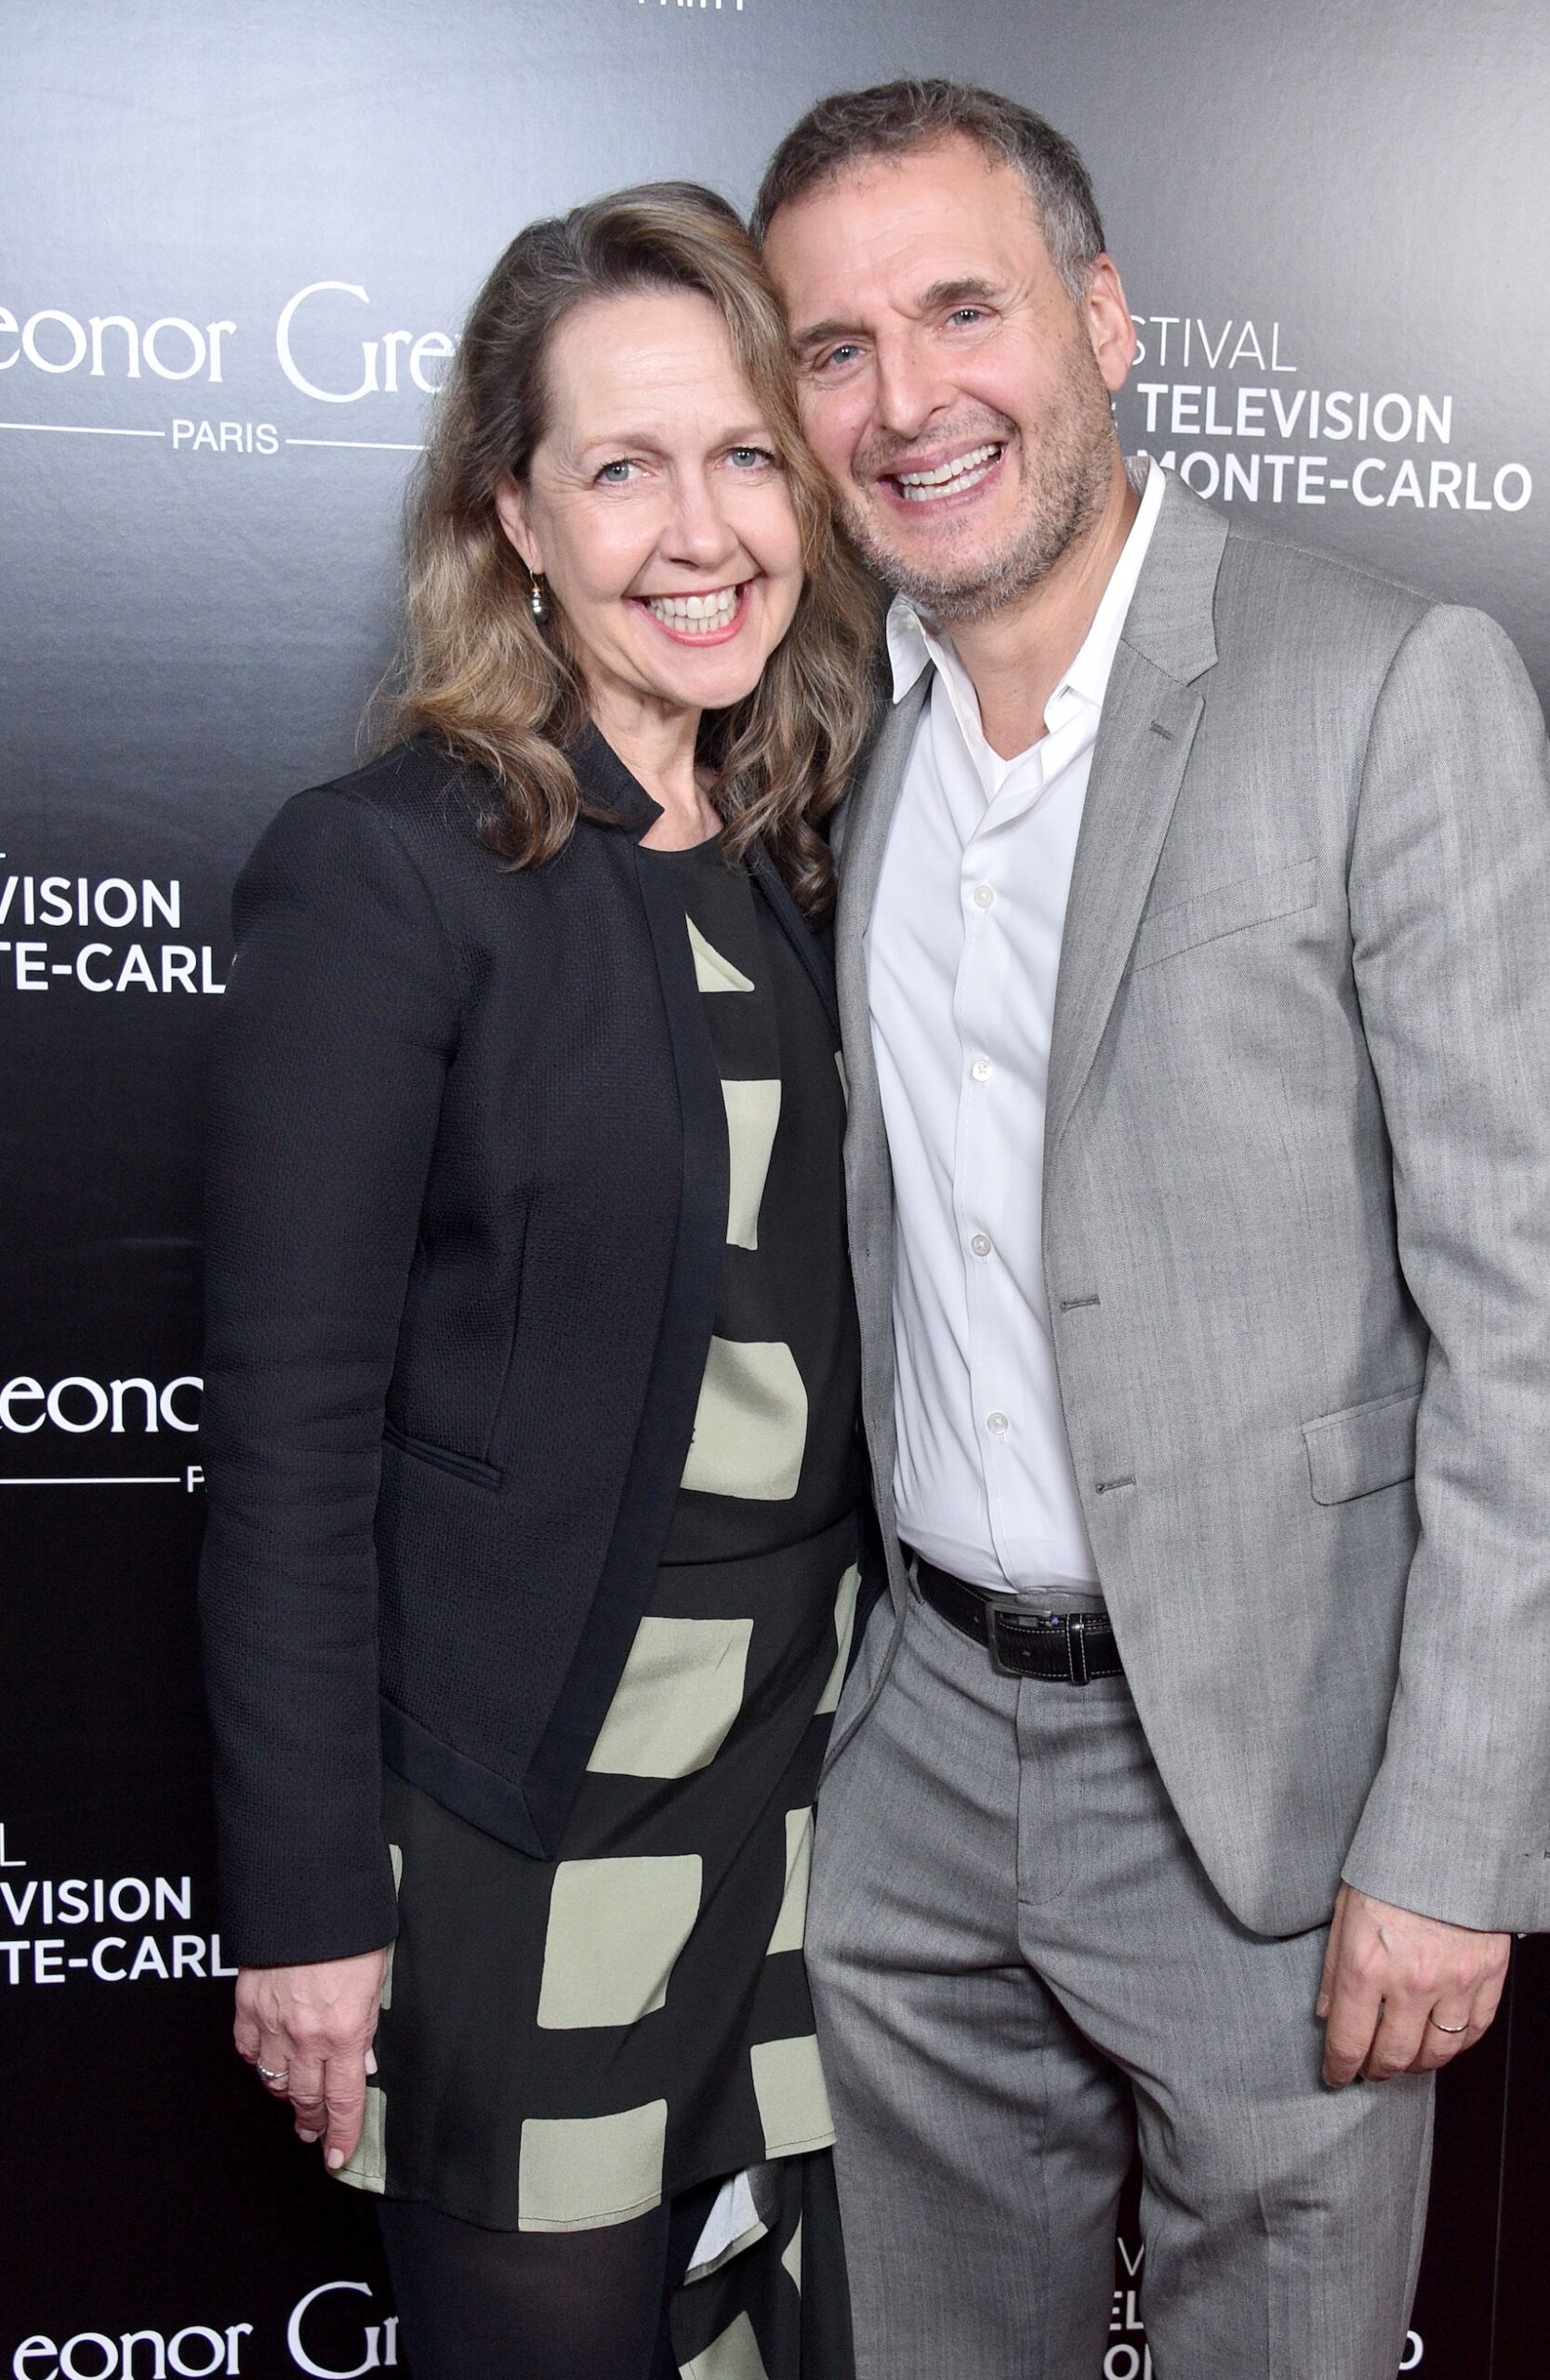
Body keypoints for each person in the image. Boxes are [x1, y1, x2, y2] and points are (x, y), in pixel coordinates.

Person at [754, 79, 1550, 2380]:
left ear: (1106, 320)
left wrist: (1450, 1832)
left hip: (1275, 1770)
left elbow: (1534, 1318)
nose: (906, 396)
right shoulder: (852, 734)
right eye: (831, 348)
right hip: (921, 1750)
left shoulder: (1382, 682)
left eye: (964, 310)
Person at [197, 181, 880, 2380]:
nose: (702, 531)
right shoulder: (393, 868)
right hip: (529, 1821)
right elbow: (287, 1444)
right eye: (621, 466)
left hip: (818, 1819)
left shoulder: (811, 856)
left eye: (746, 453)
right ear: (511, 512)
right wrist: (309, 1908)